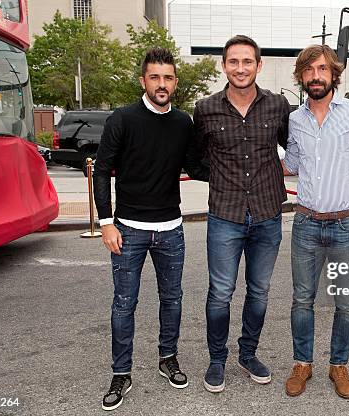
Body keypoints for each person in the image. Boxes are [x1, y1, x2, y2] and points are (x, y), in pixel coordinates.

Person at [94, 48, 208, 411]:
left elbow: (197, 166)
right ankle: (120, 373)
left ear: (175, 82)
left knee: (172, 300)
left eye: (168, 78)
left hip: (171, 228)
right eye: (155, 77)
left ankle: (168, 358)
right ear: (143, 80)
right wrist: (106, 222)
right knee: (124, 304)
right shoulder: (122, 119)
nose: (162, 84)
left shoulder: (184, 123)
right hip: (128, 229)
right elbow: (101, 170)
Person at [282, 45, 349, 399]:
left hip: (346, 226)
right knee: (301, 300)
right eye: (309, 71)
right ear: (301, 77)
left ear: (333, 74)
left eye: (322, 69)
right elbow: (291, 164)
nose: (315, 76)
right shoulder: (295, 120)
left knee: (346, 302)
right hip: (306, 224)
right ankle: (302, 364)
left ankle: (338, 365)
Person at [193, 35, 290, 393]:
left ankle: (247, 353)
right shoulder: (205, 108)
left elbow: (293, 146)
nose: (240, 68)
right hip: (225, 214)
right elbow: (196, 158)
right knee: (220, 292)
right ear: (224, 66)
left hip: (267, 213)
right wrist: (221, 178)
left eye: (247, 61)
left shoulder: (278, 106)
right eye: (233, 61)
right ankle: (217, 358)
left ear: (258, 65)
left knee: (260, 291)